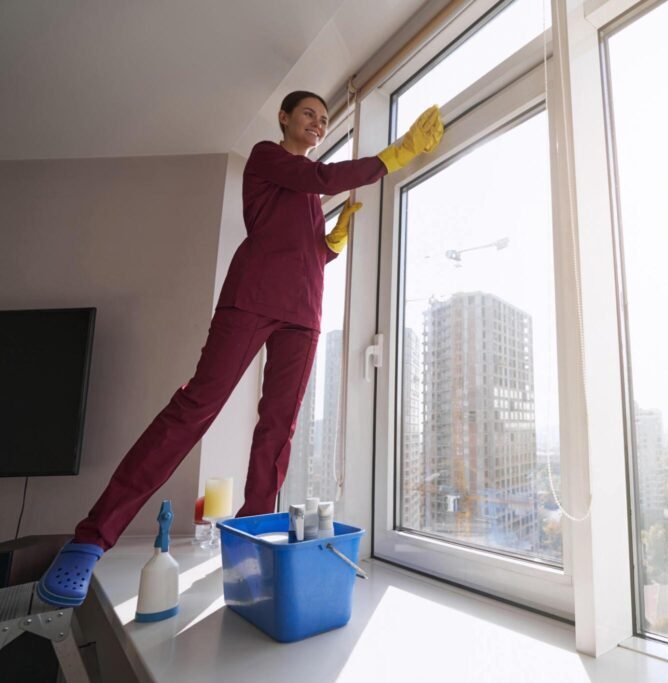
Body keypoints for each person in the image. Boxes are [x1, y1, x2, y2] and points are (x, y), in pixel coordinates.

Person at [36, 91, 444, 608]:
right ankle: (90, 538)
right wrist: (396, 154)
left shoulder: (308, 196)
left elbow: (305, 253)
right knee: (193, 409)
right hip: (250, 300)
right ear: (284, 118)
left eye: (323, 119)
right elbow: (318, 180)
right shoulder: (268, 158)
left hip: (303, 314)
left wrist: (331, 243)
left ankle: (252, 553)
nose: (318, 124)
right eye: (309, 115)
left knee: (278, 432)